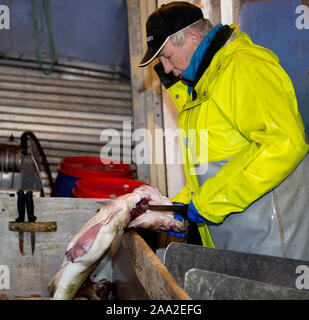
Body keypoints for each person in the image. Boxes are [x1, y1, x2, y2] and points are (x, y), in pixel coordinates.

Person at [138, 1, 309, 261]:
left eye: (167, 57)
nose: (168, 69)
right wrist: (180, 204)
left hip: (272, 242)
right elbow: (217, 166)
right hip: (239, 240)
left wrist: (209, 202)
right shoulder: (201, 88)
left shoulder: (244, 67)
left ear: (193, 37)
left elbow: (284, 143)